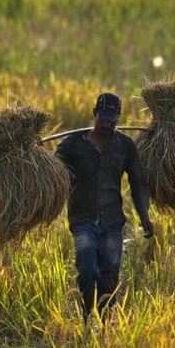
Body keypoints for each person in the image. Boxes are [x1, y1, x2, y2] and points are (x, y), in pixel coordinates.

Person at [56, 92, 154, 321]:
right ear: (94, 115)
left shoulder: (124, 146)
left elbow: (137, 182)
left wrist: (144, 216)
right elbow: (54, 172)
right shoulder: (72, 145)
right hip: (83, 219)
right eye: (103, 119)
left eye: (112, 121)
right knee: (87, 267)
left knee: (110, 273)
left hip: (112, 221)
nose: (107, 125)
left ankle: (105, 320)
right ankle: (88, 315)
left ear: (118, 119)